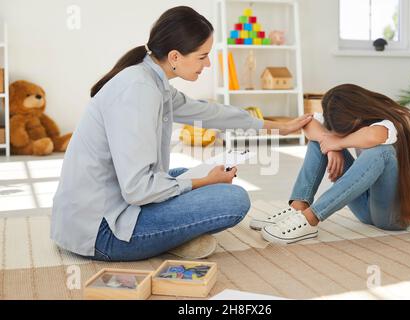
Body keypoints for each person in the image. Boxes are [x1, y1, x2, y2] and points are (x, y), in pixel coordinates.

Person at [50, 6, 312, 261]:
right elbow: (138, 190)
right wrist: (206, 182)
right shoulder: (139, 90)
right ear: (175, 57)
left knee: (181, 175)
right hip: (102, 231)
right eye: (202, 56)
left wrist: (280, 127)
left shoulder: (151, 79)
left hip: (114, 203)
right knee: (233, 198)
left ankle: (171, 236)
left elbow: (210, 113)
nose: (208, 63)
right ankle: (169, 239)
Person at [250, 84, 410, 244]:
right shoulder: (348, 114)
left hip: (395, 216)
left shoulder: (400, 118)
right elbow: (309, 123)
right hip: (366, 209)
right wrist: (331, 147)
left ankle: (310, 219)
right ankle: (298, 208)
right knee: (318, 141)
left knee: (381, 152)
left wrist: (337, 143)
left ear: (357, 118)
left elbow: (374, 136)